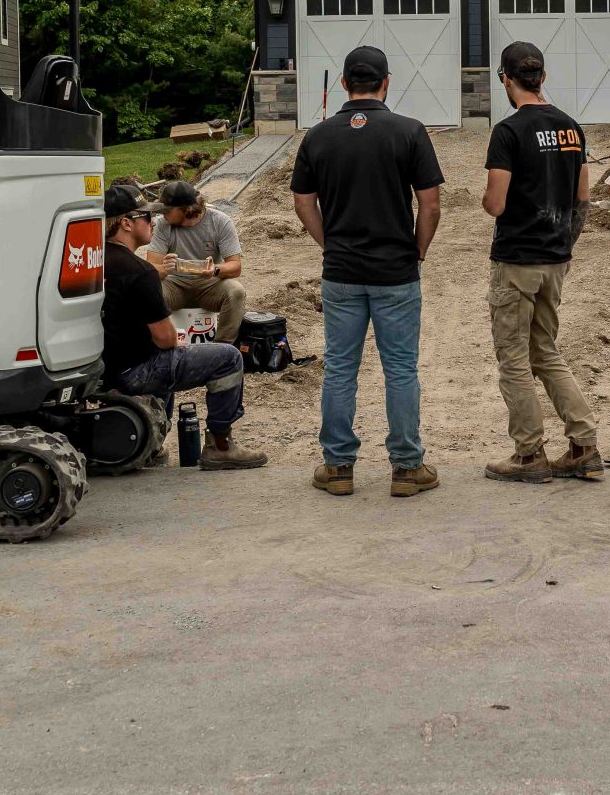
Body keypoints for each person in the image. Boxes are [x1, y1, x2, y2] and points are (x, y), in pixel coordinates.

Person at [290, 45, 443, 499]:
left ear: (343, 84)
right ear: (386, 82)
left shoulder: (317, 137)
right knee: (400, 369)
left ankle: (338, 467)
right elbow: (430, 203)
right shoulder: (409, 132)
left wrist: (329, 243)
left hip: (342, 270)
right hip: (395, 271)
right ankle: (406, 468)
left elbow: (303, 202)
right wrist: (416, 250)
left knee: (340, 368)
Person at [479, 41, 601, 484]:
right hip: (555, 258)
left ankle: (529, 455)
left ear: (505, 80)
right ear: (543, 77)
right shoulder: (571, 129)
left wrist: (487, 199)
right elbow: (582, 199)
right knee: (545, 352)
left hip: (516, 260)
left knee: (513, 359)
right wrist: (564, 247)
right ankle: (584, 443)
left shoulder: (508, 133)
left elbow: (495, 203)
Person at [100, 182, 267, 470]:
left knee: (168, 361)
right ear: (126, 223)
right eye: (147, 217)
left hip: (108, 366)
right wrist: (172, 342)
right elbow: (165, 339)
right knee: (227, 358)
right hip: (135, 371)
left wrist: (212, 269)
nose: (155, 220)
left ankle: (151, 446)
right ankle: (220, 445)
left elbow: (234, 265)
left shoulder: (97, 260)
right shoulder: (139, 272)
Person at [148, 180, 248, 343]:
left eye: (167, 210)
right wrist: (164, 269)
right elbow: (151, 267)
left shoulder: (220, 221)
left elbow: (235, 266)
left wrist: (214, 269)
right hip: (174, 285)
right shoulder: (162, 225)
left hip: (209, 285)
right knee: (148, 291)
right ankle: (157, 346)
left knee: (236, 291)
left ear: (185, 209)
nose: (163, 214)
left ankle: (222, 348)